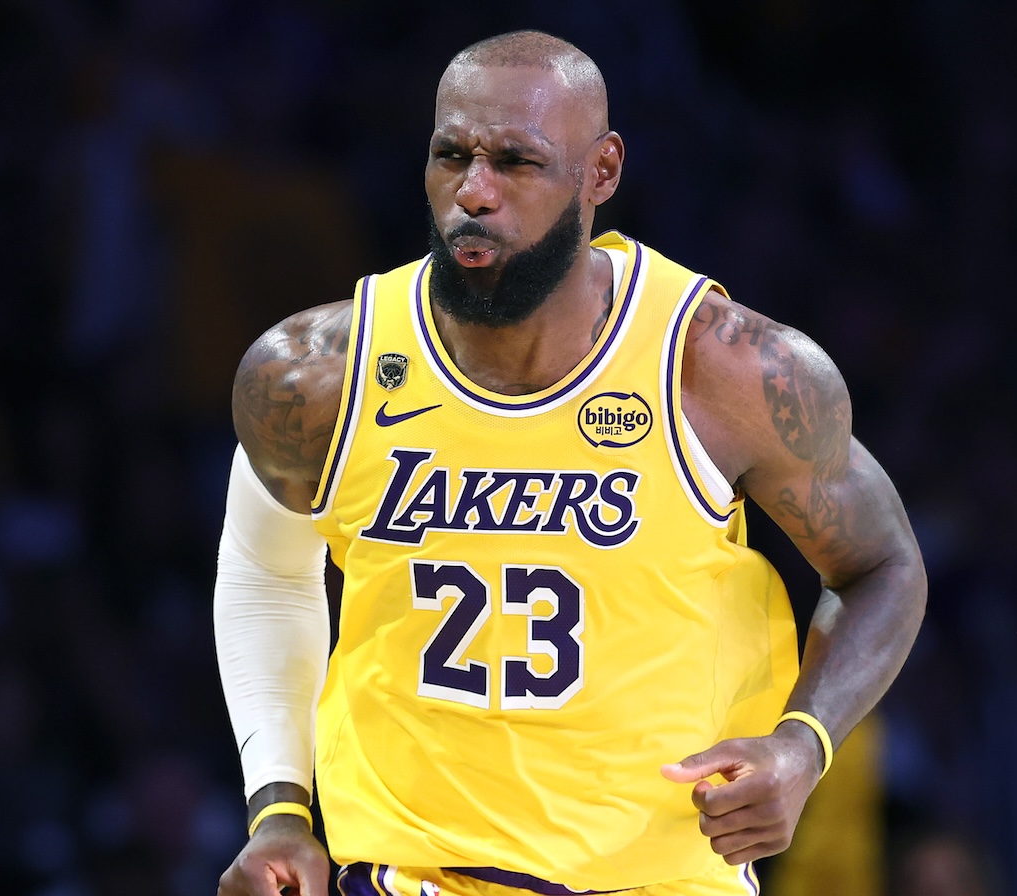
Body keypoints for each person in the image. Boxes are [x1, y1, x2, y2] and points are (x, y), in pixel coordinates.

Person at [213, 30, 927, 896]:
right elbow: (264, 575)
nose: (473, 192)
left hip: (658, 880)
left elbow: (883, 564)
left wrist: (800, 746)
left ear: (601, 171)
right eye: (452, 157)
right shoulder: (319, 372)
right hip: (410, 873)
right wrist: (280, 809)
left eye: (516, 161)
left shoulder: (723, 367)